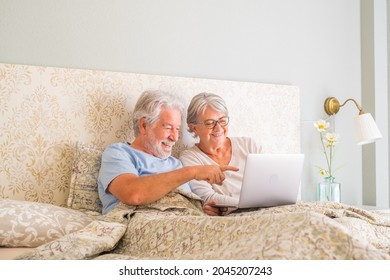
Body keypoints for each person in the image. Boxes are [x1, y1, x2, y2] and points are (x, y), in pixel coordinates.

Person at [97, 89, 238, 216]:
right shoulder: (118, 153)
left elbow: (189, 207)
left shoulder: (175, 164)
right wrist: (192, 172)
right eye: (168, 128)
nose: (175, 137)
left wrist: (207, 210)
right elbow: (133, 194)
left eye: (177, 129)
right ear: (144, 125)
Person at [179, 92, 262, 209]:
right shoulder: (190, 158)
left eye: (222, 120)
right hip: (237, 214)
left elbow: (268, 183)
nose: (218, 128)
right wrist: (246, 205)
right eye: (210, 123)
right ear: (194, 128)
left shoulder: (249, 145)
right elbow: (209, 197)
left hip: (263, 207)